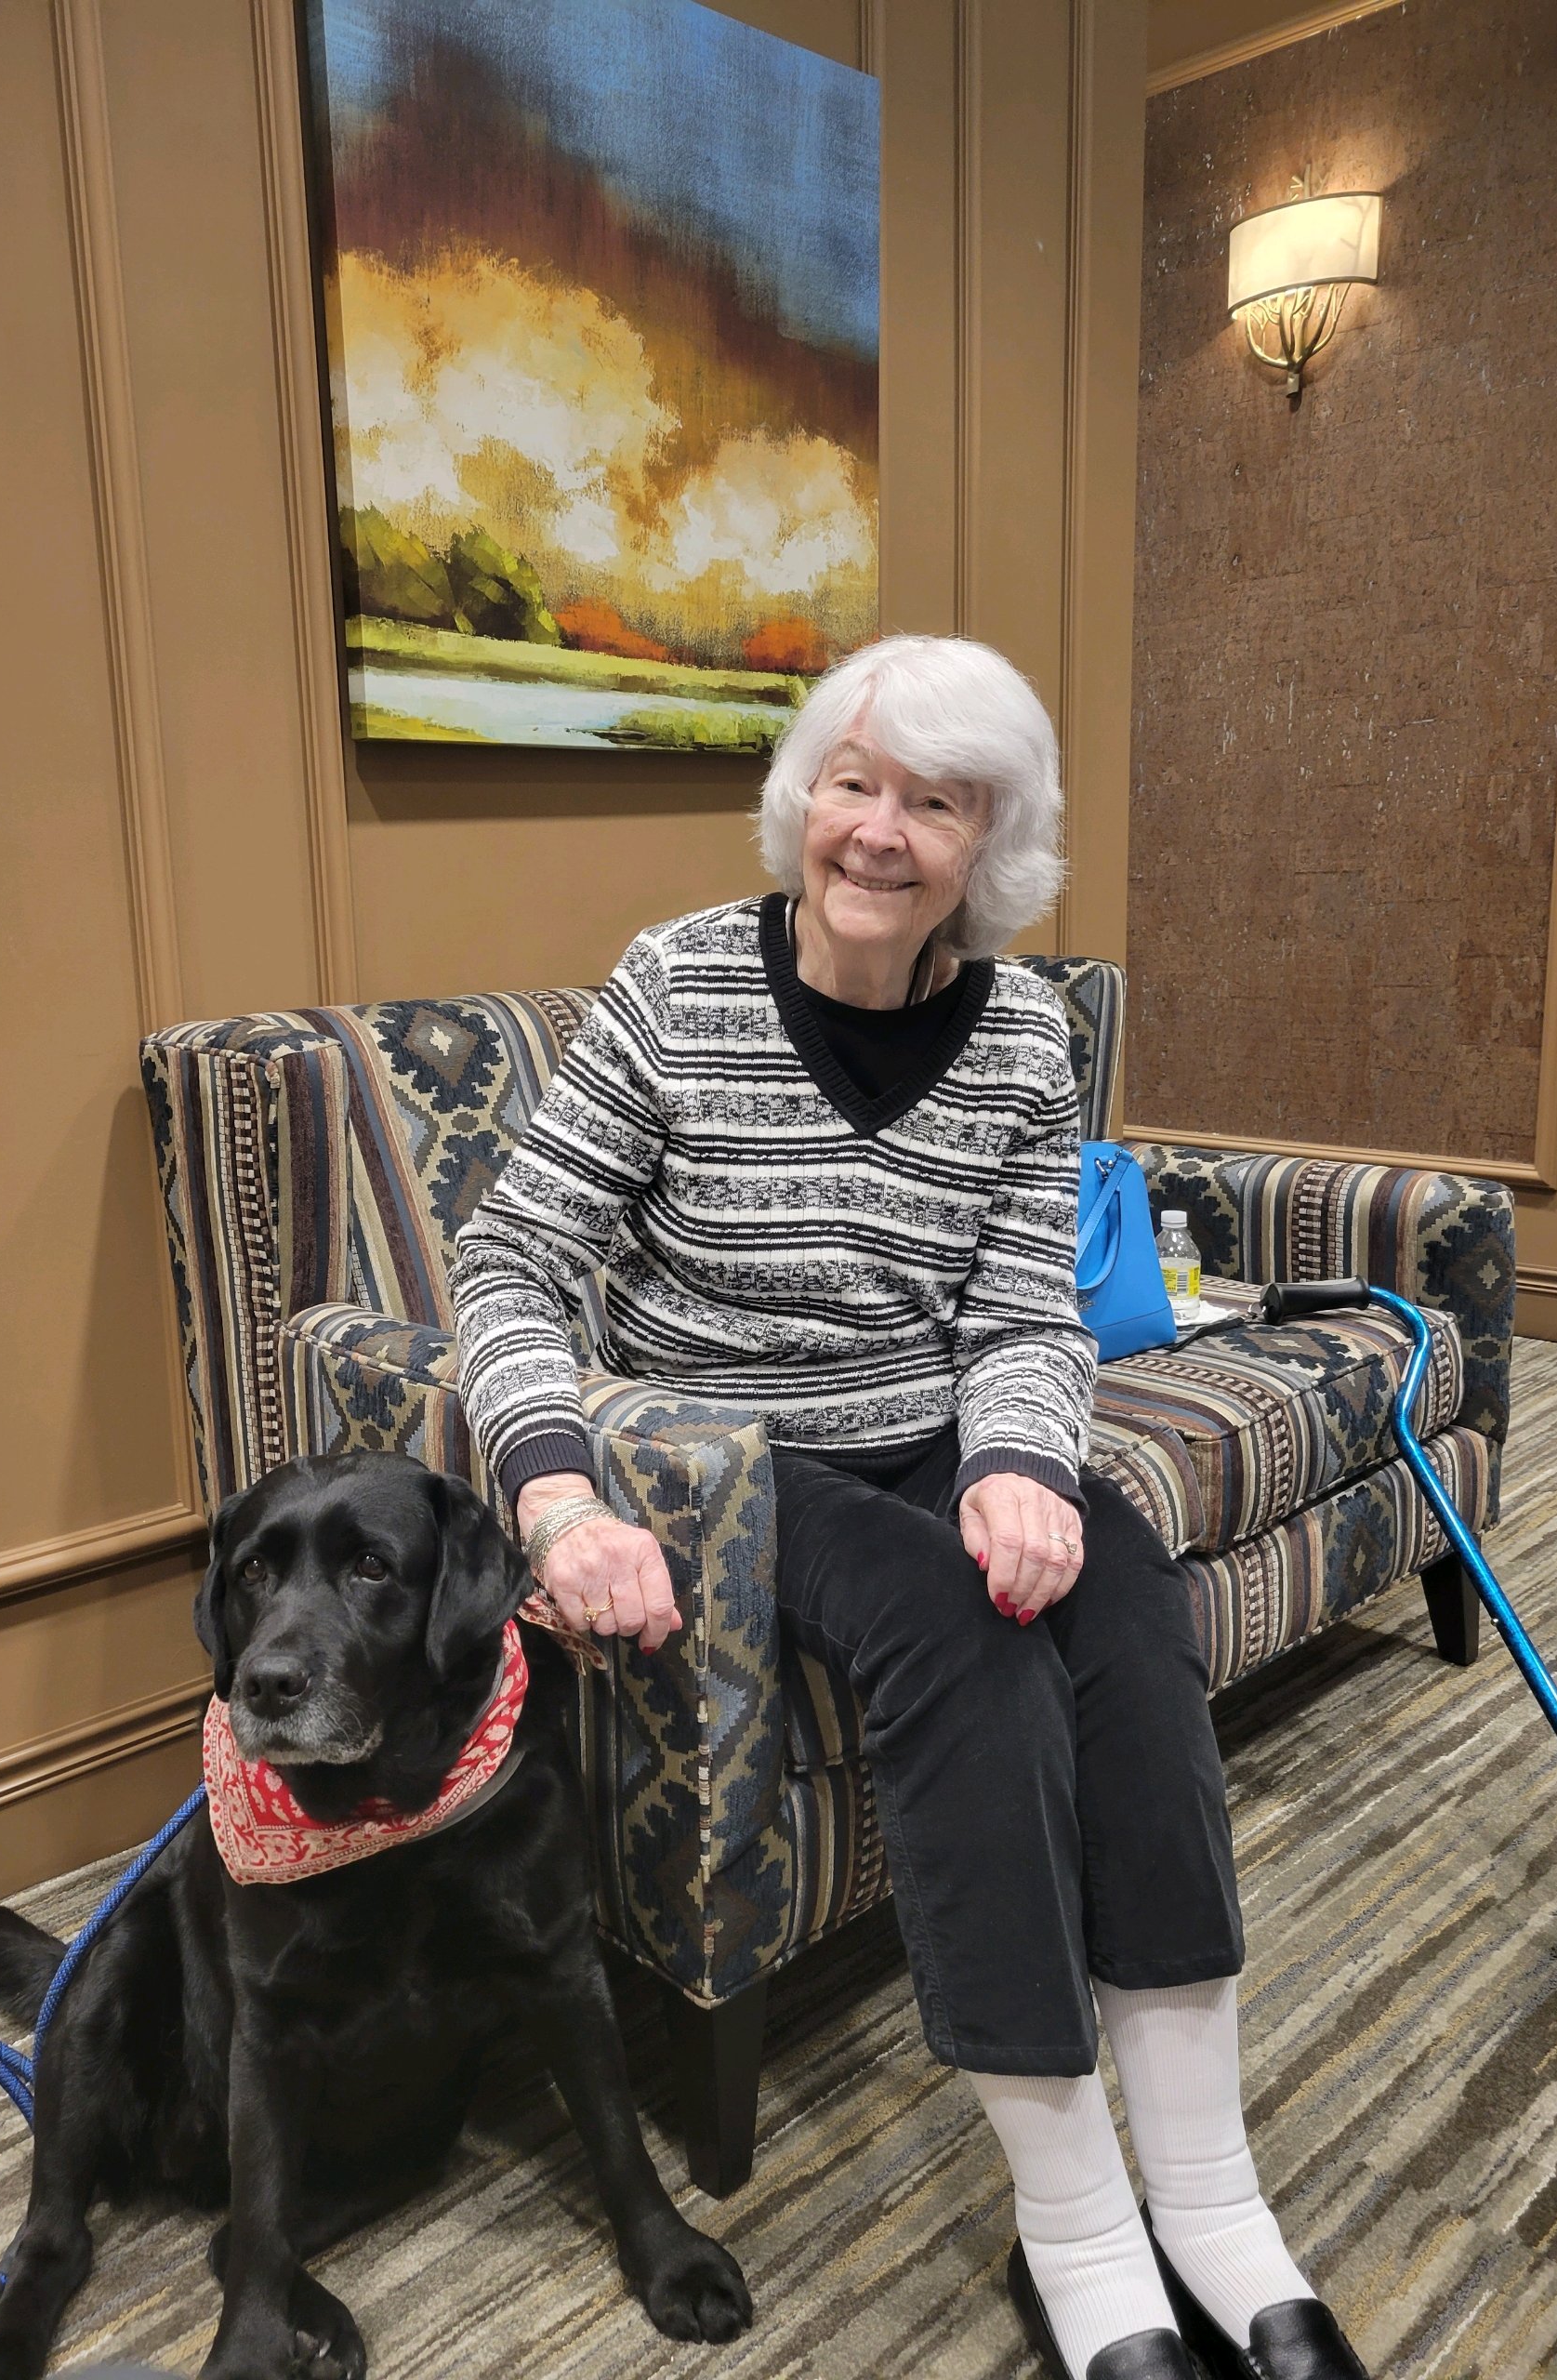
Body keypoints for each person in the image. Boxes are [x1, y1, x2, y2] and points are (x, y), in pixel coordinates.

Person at [449, 635, 1368, 2380]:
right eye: (854, 784)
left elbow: (1024, 1311)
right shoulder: (676, 986)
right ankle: (1082, 2231)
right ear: (806, 799)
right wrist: (555, 1489)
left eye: (932, 803)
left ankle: (1216, 2199)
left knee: (1120, 1602)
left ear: (987, 843)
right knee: (965, 1636)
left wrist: (1024, 1463)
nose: (878, 832)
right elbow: (507, 1264)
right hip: (730, 1463)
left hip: (938, 1429)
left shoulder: (1024, 1030)